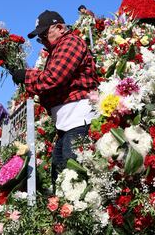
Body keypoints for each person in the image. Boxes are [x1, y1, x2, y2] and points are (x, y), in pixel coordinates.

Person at [11, 10, 99, 181]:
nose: (43, 41)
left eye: (45, 35)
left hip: (78, 120)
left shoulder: (70, 42)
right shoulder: (56, 50)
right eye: (40, 38)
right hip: (66, 125)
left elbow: (53, 78)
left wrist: (27, 76)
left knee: (74, 179)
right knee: (60, 179)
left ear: (59, 27)